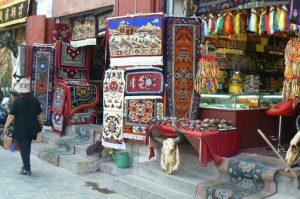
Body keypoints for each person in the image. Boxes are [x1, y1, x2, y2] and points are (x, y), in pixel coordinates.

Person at [3, 78, 43, 176]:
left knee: (24, 148)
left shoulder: (17, 102)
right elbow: (40, 114)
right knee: (27, 147)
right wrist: (41, 124)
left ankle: (27, 169)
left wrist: (6, 127)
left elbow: (11, 116)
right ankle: (26, 165)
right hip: (33, 128)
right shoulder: (34, 100)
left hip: (22, 129)